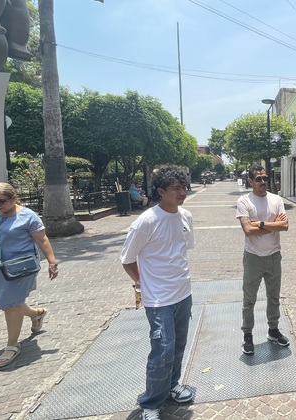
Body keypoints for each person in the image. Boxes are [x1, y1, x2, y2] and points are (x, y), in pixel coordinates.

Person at [121, 165, 194, 420]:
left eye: (184, 187)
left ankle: (172, 385)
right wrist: (143, 283)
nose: (182, 193)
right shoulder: (147, 221)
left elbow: (181, 251)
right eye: (176, 188)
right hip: (159, 299)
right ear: (161, 191)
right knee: (162, 350)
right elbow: (127, 259)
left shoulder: (186, 216)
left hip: (183, 293)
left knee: (178, 346)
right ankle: (150, 403)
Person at [0, 182, 59, 370]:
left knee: (10, 304)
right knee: (9, 302)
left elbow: (42, 239)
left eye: (1, 201)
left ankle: (12, 345)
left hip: (21, 268)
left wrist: (52, 262)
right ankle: (36, 314)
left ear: (14, 198)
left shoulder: (28, 216)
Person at [235, 165, 290, 354]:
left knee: (274, 297)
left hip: (274, 256)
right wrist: (273, 225)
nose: (262, 182)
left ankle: (273, 330)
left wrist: (259, 223)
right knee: (249, 299)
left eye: (265, 178)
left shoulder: (276, 199)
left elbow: (285, 226)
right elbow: (248, 231)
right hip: (253, 257)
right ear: (250, 181)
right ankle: (247, 334)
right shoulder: (244, 201)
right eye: (258, 179)